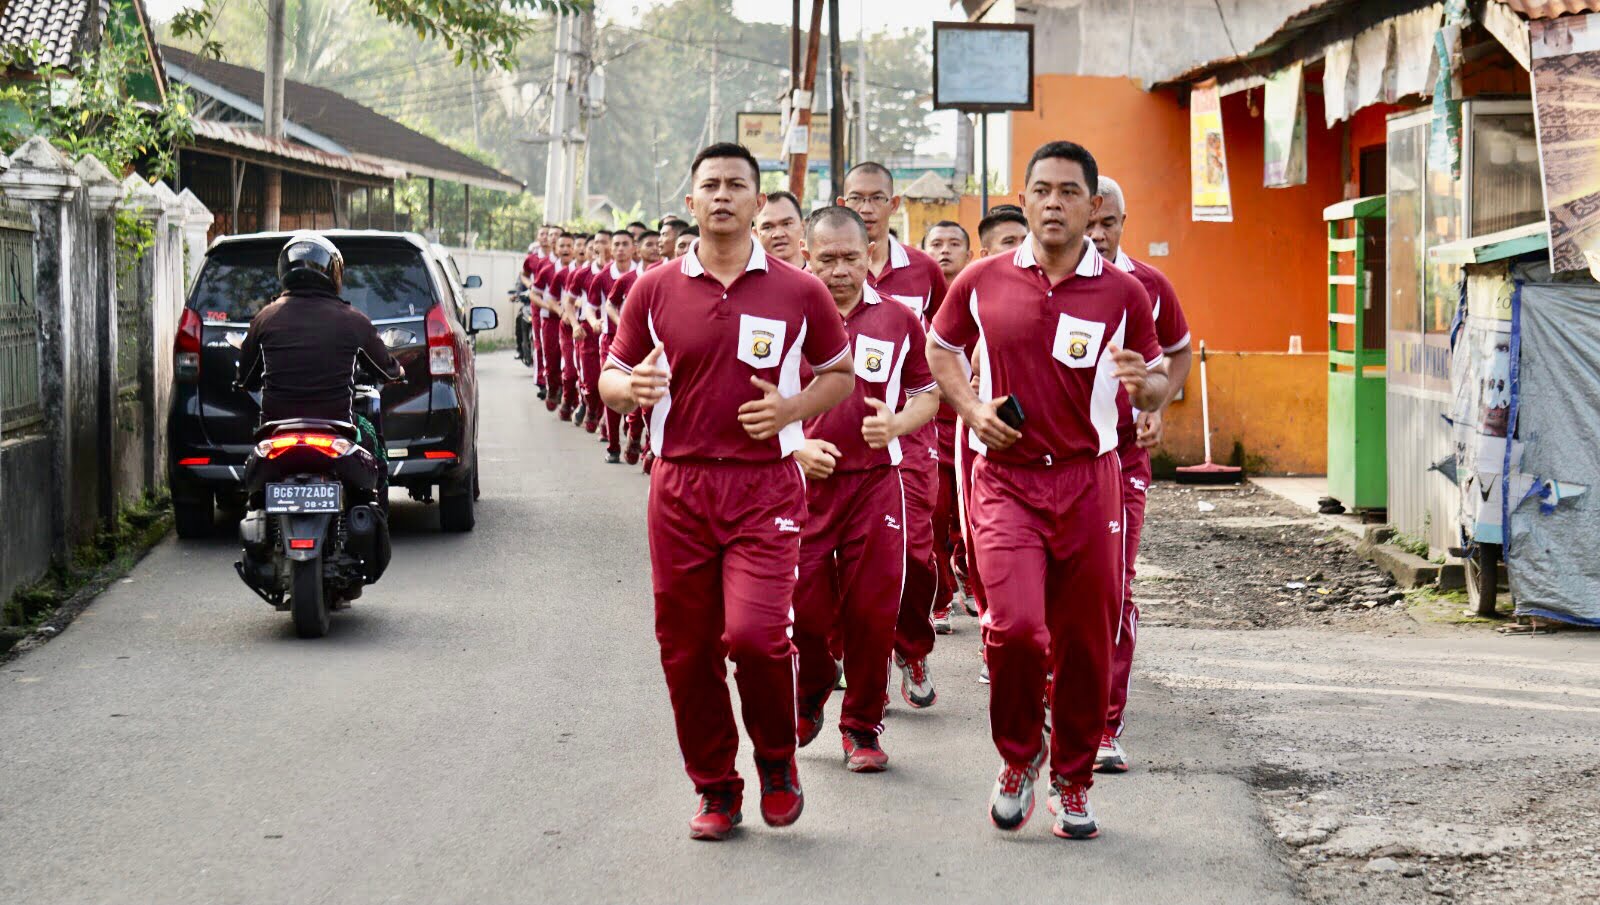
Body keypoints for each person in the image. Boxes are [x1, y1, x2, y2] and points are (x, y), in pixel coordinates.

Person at [600, 142, 854, 842]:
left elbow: (839, 374)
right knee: (686, 648)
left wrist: (791, 411)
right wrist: (632, 389)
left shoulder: (798, 290)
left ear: (757, 201)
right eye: (708, 185)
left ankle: (776, 758)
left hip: (764, 487)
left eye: (735, 185)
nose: (721, 195)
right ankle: (715, 783)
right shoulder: (654, 288)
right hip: (679, 485)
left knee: (755, 635)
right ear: (690, 202)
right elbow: (611, 376)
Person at [926, 141, 1167, 840]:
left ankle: (1073, 777)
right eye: (1042, 190)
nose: (1054, 202)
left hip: (1091, 482)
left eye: (1069, 191)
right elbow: (942, 348)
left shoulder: (1124, 292)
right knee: (1018, 630)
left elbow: (1154, 376)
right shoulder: (981, 279)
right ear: (1024, 199)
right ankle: (1017, 756)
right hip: (1003, 481)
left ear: (1093, 207)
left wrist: (1143, 384)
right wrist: (971, 411)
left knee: (1086, 640)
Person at [791, 206, 940, 773]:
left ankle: (862, 726)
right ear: (808, 256)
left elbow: (927, 392)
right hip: (803, 488)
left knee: (873, 610)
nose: (839, 270)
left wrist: (898, 425)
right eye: (826, 258)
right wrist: (796, 446)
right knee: (803, 611)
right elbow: (752, 397)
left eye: (851, 257)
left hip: (877, 485)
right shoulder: (788, 317)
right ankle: (810, 692)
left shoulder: (899, 319)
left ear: (868, 256)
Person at [1084, 176, 1193, 775]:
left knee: (1113, 589)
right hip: (1053, 465)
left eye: (1110, 223)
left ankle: (1103, 721)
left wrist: (1157, 403)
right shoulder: (1039, 283)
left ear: (1123, 221)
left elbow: (1179, 349)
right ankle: (1060, 690)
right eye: (1091, 222)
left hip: (1122, 460)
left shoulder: (1147, 286)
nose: (1098, 235)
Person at [838, 161, 948, 710]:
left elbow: (948, 344)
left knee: (916, 556)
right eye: (855, 197)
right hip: (844, 449)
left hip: (910, 443)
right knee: (861, 565)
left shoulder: (924, 272)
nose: (865, 207)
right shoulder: (826, 275)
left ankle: (913, 647)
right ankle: (868, 668)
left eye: (876, 198)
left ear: (894, 204)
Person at [234, 232, 404, 499]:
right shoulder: (354, 320)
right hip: (337, 429)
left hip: (276, 433)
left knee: (253, 496)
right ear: (333, 274)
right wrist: (398, 372)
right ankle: (377, 517)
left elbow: (245, 378)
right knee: (371, 441)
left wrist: (247, 383)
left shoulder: (264, 319)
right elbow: (387, 370)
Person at [921, 220, 974, 633]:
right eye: (936, 244)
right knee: (934, 515)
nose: (945, 251)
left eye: (954, 243)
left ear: (970, 253)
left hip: (977, 423)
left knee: (969, 516)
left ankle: (969, 569)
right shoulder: (922, 306)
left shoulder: (984, 295)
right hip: (929, 423)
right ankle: (939, 597)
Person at [592, 229, 638, 462]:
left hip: (641, 344)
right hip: (612, 341)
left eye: (625, 244)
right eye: (616, 244)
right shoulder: (606, 278)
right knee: (612, 390)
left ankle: (636, 435)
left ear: (634, 248)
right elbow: (604, 306)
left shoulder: (648, 274)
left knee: (639, 390)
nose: (620, 248)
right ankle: (613, 445)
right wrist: (620, 324)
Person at [755, 190, 807, 269]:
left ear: (803, 227)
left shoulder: (822, 276)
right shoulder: (749, 279)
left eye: (787, 224)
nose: (778, 234)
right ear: (755, 234)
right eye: (767, 227)